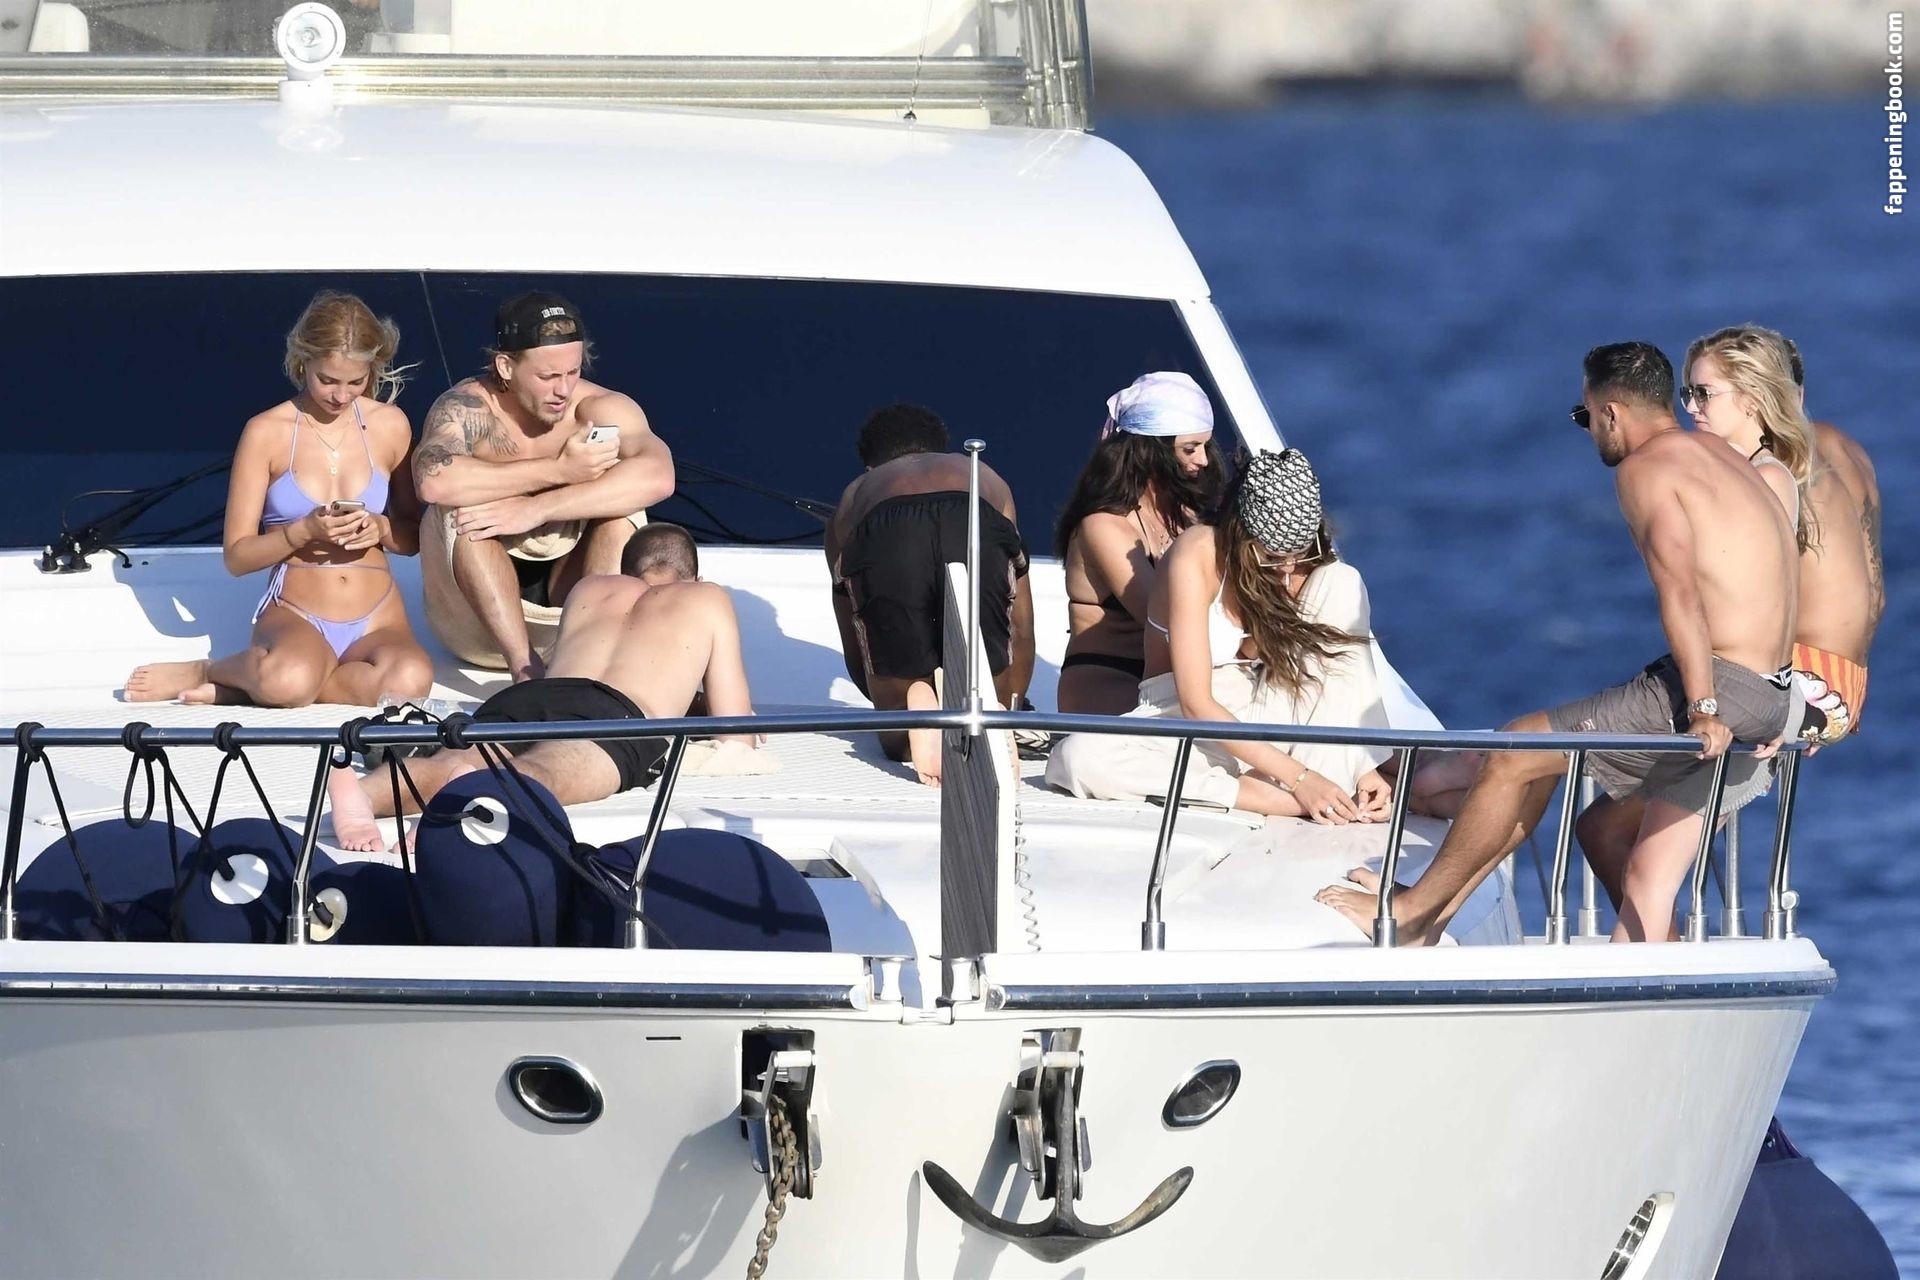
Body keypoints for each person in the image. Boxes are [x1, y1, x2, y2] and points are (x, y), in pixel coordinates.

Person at [1318, 342, 1797, 944]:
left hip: (1722, 688)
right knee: (1551, 778)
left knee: (1512, 749)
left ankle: (1412, 916)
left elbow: (1679, 591)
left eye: (1584, 416)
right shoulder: (1725, 456)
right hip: (1772, 690)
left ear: (1612, 412)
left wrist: (1703, 707)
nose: (1589, 430)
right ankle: (1431, 914)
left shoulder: (1647, 467)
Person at [1575, 327, 1884, 918]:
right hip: (1842, 682)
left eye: (1703, 394)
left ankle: (1653, 953)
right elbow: (1871, 586)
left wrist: (1790, 694)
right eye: (1686, 394)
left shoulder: (1764, 473)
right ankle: (1654, 946)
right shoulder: (1840, 449)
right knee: (1604, 830)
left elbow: (1757, 601)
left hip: (1796, 683)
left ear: (1755, 397)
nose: (1689, 410)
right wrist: (1833, 697)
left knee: (1616, 838)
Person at [328, 523, 755, 850]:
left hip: (535, 696)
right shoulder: (707, 598)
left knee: (457, 758)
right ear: (694, 576)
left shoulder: (592, 588)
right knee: (547, 769)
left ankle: (365, 794)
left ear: (627, 572)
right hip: (618, 719)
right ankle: (471, 794)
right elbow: (735, 730)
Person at [1047, 449, 1396, 822]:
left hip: (1267, 706)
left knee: (1342, 580)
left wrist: (1362, 763)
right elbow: (1196, 704)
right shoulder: (1196, 553)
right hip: (1185, 717)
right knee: (1079, 757)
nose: (1288, 569)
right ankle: (1266, 795)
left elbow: (1338, 673)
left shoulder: (1301, 564)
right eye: (1273, 556)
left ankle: (1339, 775)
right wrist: (1300, 778)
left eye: (1299, 554)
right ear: (1242, 535)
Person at [125, 293, 433, 708]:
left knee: (410, 683)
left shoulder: (390, 425)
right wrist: (303, 531)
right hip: (297, 612)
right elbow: (237, 558)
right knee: (289, 680)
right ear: (303, 362)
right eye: (328, 380)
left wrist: (380, 528)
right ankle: (209, 671)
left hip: (378, 614)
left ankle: (262, 685)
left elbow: (413, 538)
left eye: (355, 382)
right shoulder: (266, 432)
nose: (341, 396)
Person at [414, 292, 674, 683]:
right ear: (506, 366)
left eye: (572, 372)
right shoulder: (469, 407)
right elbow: (433, 481)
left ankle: (590, 662)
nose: (563, 390)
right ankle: (525, 672)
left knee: (625, 507)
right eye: (548, 377)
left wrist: (535, 509)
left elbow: (659, 477)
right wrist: (558, 469)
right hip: (475, 627)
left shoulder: (597, 407)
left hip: (568, 623)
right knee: (461, 509)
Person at [823, 403, 1035, 787]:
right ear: (941, 448)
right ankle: (995, 715)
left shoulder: (858, 491)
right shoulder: (980, 472)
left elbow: (853, 627)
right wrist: (1015, 701)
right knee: (989, 685)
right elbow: (1019, 620)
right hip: (972, 508)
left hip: (885, 527)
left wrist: (884, 699)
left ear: (870, 466)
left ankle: (912, 716)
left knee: (896, 721)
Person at [1055, 372, 1223, 715]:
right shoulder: (1103, 526)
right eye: (1190, 448)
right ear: (1150, 449)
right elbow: (1161, 618)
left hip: (1176, 676)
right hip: (1108, 682)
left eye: (1205, 446)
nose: (1204, 460)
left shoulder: (1188, 515)